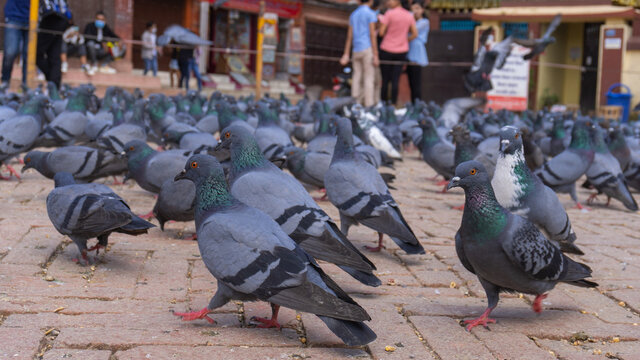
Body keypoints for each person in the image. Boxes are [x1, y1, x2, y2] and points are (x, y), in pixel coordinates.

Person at [339, 0, 379, 108]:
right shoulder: (371, 14)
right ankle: (369, 104)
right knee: (368, 78)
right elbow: (372, 35)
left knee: (356, 76)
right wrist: (375, 54)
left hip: (356, 49)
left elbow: (349, 36)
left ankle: (354, 103)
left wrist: (346, 54)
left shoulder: (354, 14)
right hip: (367, 48)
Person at [378, 0, 417, 105]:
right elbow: (414, 34)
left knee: (385, 80)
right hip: (401, 51)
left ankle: (383, 104)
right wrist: (404, 40)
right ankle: (393, 104)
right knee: (395, 79)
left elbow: (381, 32)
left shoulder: (389, 13)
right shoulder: (409, 15)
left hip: (386, 49)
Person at [37, 0, 72, 89]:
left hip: (51, 19)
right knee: (54, 55)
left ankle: (53, 82)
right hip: (59, 20)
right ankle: (54, 83)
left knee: (36, 53)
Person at [1, 0, 29, 86]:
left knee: (28, 54)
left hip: (34, 18)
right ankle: (5, 82)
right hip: (14, 16)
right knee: (10, 51)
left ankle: (26, 85)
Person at [406, 0, 429, 103]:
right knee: (411, 82)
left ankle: (417, 104)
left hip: (417, 51)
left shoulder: (424, 22)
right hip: (409, 50)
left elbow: (412, 30)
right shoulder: (411, 20)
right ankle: (413, 103)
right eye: (413, 8)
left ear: (422, 10)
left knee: (416, 82)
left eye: (417, 8)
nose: (415, 11)